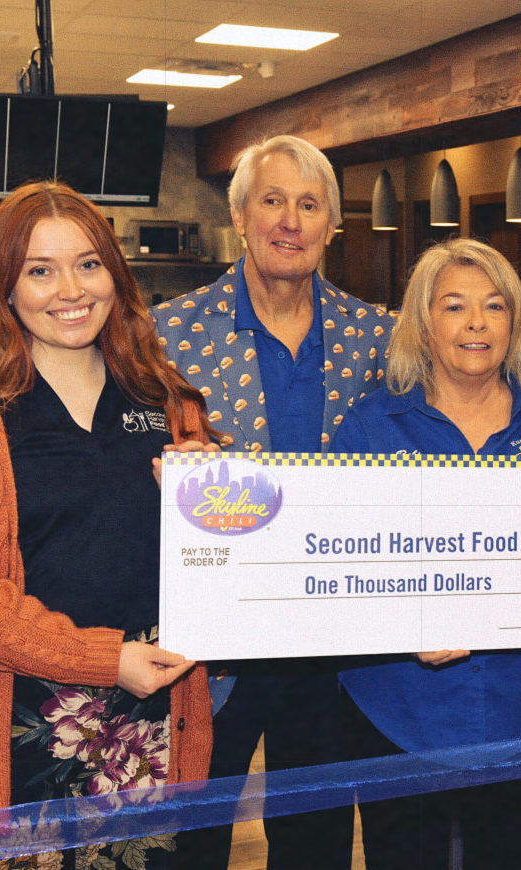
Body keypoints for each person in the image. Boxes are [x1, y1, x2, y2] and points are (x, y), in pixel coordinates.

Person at [0, 181, 216, 866]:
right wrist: (102, 660)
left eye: (88, 264)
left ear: (114, 271)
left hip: (154, 717)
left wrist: (214, 505)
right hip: (10, 721)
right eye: (39, 270)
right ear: (4, 287)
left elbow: (219, 560)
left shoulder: (165, 398)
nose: (70, 289)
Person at [153, 134, 393, 869]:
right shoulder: (171, 335)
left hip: (330, 641)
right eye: (273, 200)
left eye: (309, 204)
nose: (290, 220)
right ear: (240, 216)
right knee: (190, 836)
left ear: (330, 225)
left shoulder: (377, 338)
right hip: (213, 645)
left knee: (316, 840)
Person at [331, 238, 521, 870]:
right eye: (454, 306)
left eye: (495, 306)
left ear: (514, 323)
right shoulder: (368, 428)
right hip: (397, 710)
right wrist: (399, 618)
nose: (476, 322)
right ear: (422, 324)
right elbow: (334, 571)